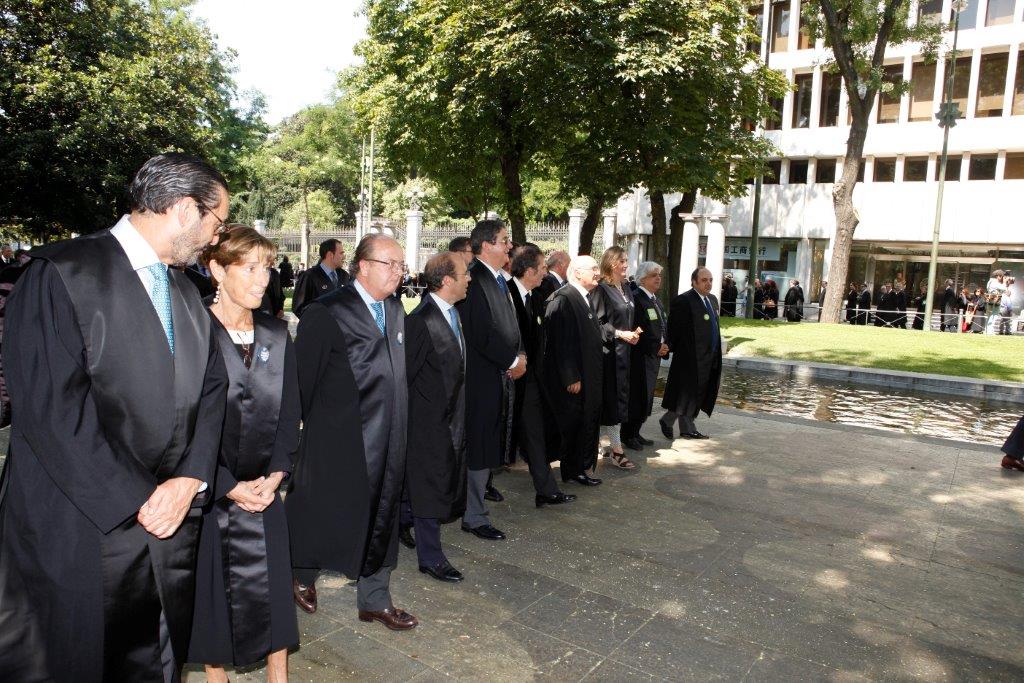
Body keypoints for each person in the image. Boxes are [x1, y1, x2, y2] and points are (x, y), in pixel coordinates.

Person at [0, 153, 229, 681]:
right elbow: (52, 413)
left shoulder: (186, 291)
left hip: (169, 524)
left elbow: (213, 389)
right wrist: (141, 496)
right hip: (81, 526)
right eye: (216, 222)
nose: (215, 239)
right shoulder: (60, 273)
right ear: (184, 209)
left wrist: (190, 478)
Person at [286, 234, 416, 631]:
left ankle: (375, 599)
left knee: (383, 514)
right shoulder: (328, 311)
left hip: (390, 435)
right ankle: (300, 574)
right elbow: (301, 381)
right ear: (363, 266)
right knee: (320, 510)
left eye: (401, 265)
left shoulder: (394, 309)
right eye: (390, 264)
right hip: (338, 438)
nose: (398, 272)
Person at [188, 227, 299, 681]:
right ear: (217, 269)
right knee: (212, 598)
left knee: (275, 592)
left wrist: (275, 475)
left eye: (267, 268)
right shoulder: (194, 329)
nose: (263, 279)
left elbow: (290, 412)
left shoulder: (276, 333)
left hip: (265, 489)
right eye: (250, 268)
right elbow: (183, 423)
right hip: (210, 491)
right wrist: (227, 485)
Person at [401, 252, 471, 583]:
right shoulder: (420, 321)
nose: (469, 278)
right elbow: (405, 376)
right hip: (427, 424)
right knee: (429, 487)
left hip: (451, 418)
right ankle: (430, 557)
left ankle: (402, 521)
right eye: (464, 273)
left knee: (427, 486)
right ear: (446, 281)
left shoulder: (453, 313)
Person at [456, 220, 524, 540]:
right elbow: (480, 331)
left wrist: (518, 355)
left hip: (498, 375)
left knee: (486, 443)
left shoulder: (497, 279)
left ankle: (475, 509)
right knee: (479, 445)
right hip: (480, 379)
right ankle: (473, 515)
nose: (509, 246)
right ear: (486, 245)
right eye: (504, 240)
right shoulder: (475, 279)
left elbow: (510, 327)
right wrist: (512, 361)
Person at [507, 245, 577, 506]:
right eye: (542, 268)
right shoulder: (505, 294)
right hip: (508, 381)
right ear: (528, 271)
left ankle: (546, 489)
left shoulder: (536, 297)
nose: (545, 273)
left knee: (536, 434)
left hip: (532, 382)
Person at [543, 255, 604, 487]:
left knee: (583, 423)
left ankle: (579, 467)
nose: (598, 272)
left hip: (588, 375)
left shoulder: (584, 297)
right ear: (577, 273)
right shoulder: (564, 299)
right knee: (572, 426)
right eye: (593, 268)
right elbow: (560, 341)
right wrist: (571, 376)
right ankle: (572, 469)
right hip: (575, 380)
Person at [589, 246, 640, 470]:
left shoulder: (626, 287)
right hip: (608, 356)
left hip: (624, 355)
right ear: (611, 264)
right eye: (623, 261)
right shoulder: (601, 289)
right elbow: (597, 323)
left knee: (618, 402)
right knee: (608, 403)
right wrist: (620, 334)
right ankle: (612, 449)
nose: (626, 264)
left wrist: (633, 334)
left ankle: (610, 446)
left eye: (626, 261)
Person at [660, 268, 722, 440]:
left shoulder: (712, 300)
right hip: (689, 358)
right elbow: (674, 328)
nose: (708, 283)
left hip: (709, 357)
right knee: (688, 394)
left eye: (710, 280)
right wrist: (668, 347)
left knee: (696, 393)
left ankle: (675, 423)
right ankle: (681, 425)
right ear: (694, 282)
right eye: (704, 280)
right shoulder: (684, 300)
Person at [621, 262, 669, 451]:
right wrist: (655, 346)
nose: (658, 278)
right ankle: (628, 434)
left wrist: (665, 345)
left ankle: (636, 432)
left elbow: (662, 325)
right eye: (653, 275)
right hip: (640, 357)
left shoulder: (655, 300)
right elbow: (636, 330)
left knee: (647, 397)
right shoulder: (637, 299)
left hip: (654, 356)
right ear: (642, 279)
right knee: (637, 396)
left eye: (659, 275)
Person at [291, 238, 350, 318]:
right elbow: (298, 307)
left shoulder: (344, 276)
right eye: (341, 253)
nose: (344, 257)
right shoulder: (309, 276)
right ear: (330, 255)